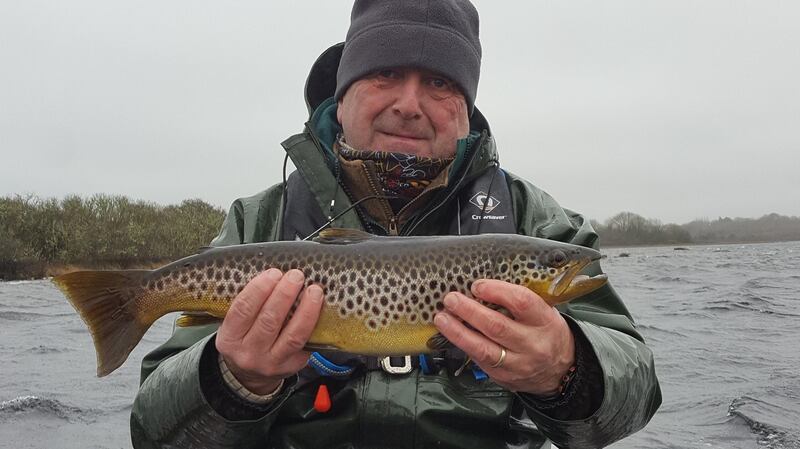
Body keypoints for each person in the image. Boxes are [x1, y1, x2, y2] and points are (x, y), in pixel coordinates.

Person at [130, 1, 661, 448]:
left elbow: (635, 395)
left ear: (465, 109)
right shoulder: (257, 221)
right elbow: (155, 431)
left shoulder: (537, 221)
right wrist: (230, 379)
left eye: (438, 82)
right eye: (386, 74)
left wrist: (567, 369)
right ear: (342, 99)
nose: (409, 105)